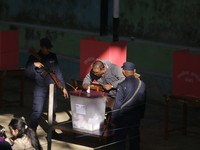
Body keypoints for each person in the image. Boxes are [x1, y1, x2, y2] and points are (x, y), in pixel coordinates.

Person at [25, 38, 69, 132]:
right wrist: (34, 65)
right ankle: (32, 131)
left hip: (52, 88)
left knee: (52, 111)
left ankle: (52, 131)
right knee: (37, 110)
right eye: (46, 48)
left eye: (49, 48)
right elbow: (27, 72)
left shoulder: (53, 56)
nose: (49, 50)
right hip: (40, 88)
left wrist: (63, 87)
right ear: (41, 47)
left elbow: (58, 72)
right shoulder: (33, 57)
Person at [110, 62, 146, 150]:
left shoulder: (122, 85)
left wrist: (113, 119)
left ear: (123, 71)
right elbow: (143, 102)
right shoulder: (142, 84)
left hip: (123, 117)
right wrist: (141, 115)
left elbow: (118, 104)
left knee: (120, 139)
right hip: (135, 116)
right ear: (134, 71)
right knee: (134, 138)